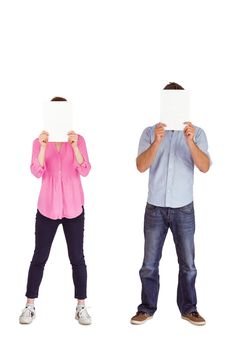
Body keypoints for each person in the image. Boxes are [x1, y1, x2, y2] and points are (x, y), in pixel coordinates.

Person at [131, 82, 211, 326]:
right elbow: (141, 166)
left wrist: (189, 142)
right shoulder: (149, 132)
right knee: (149, 264)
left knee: (188, 264)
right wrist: (156, 141)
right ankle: (146, 308)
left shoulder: (197, 133)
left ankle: (189, 309)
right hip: (155, 207)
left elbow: (205, 167)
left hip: (183, 208)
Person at [19, 96, 92, 325]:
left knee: (77, 258)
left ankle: (81, 306)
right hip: (47, 208)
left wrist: (74, 147)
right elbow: (37, 171)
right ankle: (29, 305)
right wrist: (42, 147)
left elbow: (85, 169)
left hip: (73, 209)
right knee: (39, 256)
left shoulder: (78, 140)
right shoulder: (38, 142)